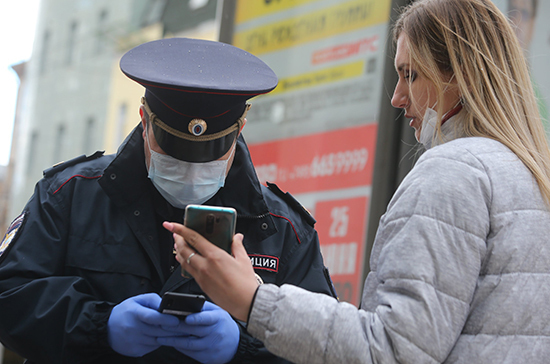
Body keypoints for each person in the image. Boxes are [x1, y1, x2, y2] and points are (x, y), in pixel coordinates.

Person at [167, 0, 550, 362]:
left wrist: (252, 300)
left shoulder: (453, 171)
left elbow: (393, 349)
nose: (397, 98)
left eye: (410, 75)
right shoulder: (528, 175)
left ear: (459, 75)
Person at [0, 38, 337, 363]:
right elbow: (8, 296)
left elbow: (326, 345)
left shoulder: (281, 228)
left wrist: (244, 345)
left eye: (208, 158)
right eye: (173, 155)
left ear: (239, 130)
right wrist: (98, 326)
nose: (190, 172)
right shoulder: (70, 195)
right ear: (145, 120)